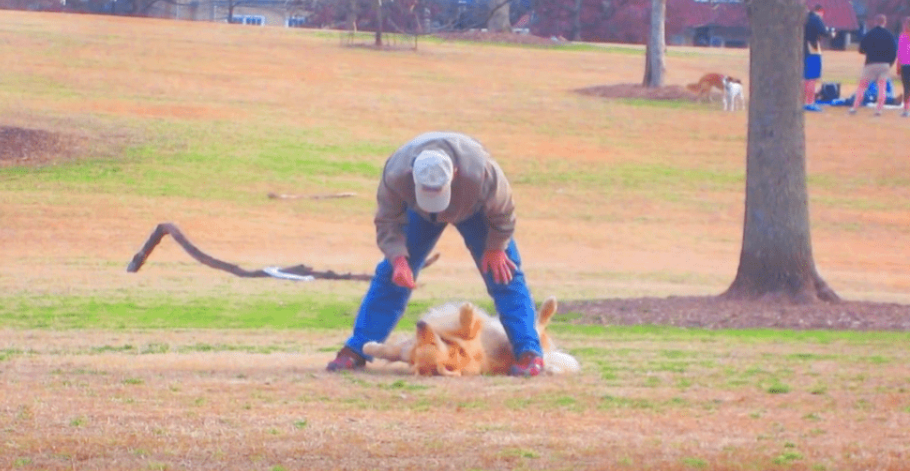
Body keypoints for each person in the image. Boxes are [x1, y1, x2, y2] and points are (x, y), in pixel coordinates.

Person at [326, 131, 546, 377]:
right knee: (391, 275)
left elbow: (503, 212)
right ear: (412, 175)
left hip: (475, 210)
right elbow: (387, 220)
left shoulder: (481, 172)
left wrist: (496, 247)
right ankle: (357, 349)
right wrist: (398, 259)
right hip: (420, 214)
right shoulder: (396, 172)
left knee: (504, 273)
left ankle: (529, 353)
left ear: (455, 173)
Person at [849, 14, 899, 116]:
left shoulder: (870, 34)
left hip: (870, 63)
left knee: (862, 86)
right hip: (884, 64)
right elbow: (894, 52)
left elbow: (861, 49)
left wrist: (869, 52)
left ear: (875, 22)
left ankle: (854, 107)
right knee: (882, 87)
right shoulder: (889, 35)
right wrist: (889, 64)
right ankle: (879, 110)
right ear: (884, 22)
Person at [804, 4, 831, 112]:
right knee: (812, 78)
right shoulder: (816, 18)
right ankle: (810, 102)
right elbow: (824, 32)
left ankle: (803, 101)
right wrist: (831, 34)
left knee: (804, 78)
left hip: (803, 50)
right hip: (813, 49)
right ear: (821, 11)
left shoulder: (803, 19)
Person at [898, 16, 910, 117]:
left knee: (907, 88)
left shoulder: (903, 36)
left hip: (905, 65)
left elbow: (900, 53)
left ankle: (906, 109)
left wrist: (898, 67)